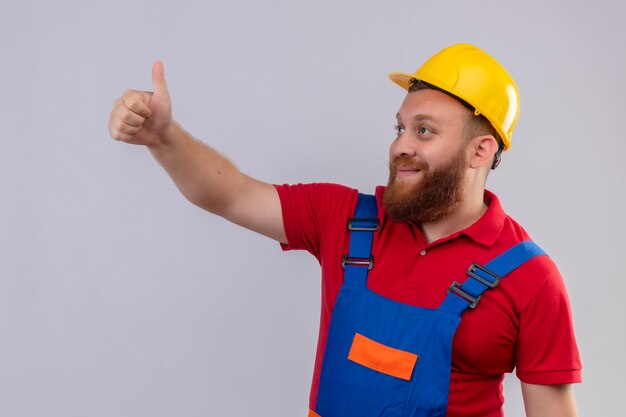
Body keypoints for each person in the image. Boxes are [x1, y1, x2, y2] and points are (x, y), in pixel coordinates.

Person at [108, 44, 582, 417]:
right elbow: (228, 193)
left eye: (424, 131)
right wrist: (164, 137)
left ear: (480, 151)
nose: (400, 145)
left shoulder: (530, 278)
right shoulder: (346, 220)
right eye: (399, 127)